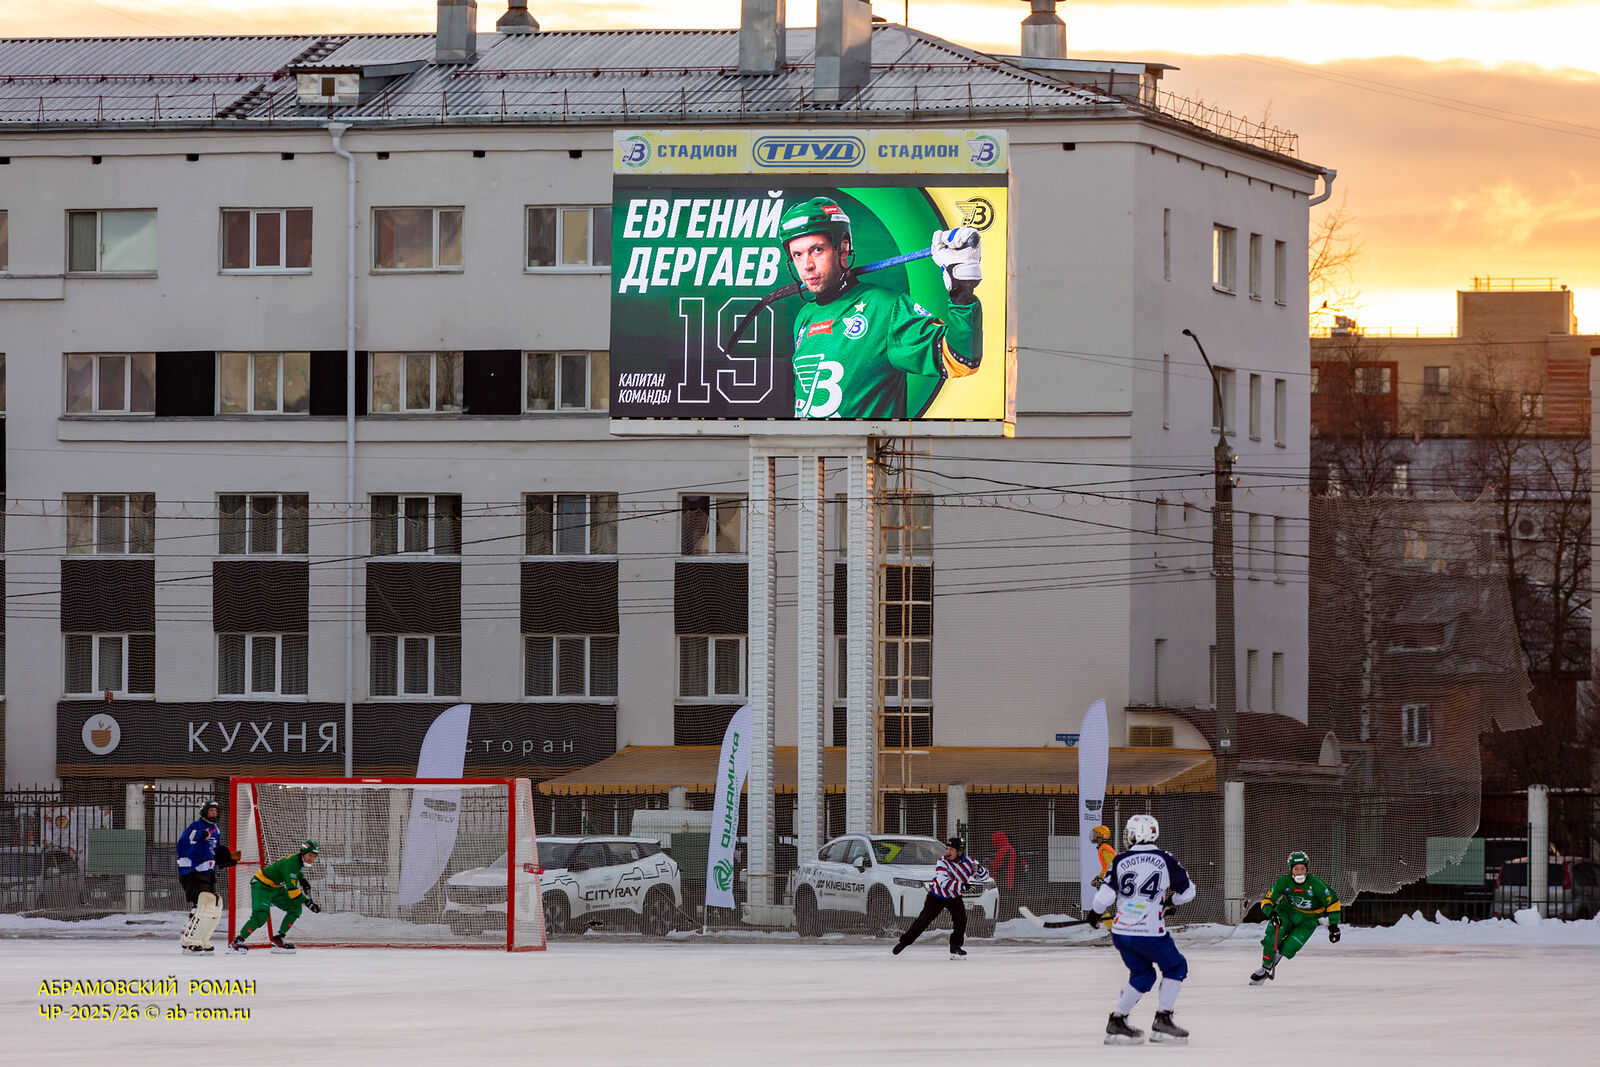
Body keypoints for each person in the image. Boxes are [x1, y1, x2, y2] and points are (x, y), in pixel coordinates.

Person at [781, 196, 983, 420]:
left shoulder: (886, 308)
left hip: (867, 443)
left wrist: (962, 294)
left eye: (817, 250)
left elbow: (961, 359)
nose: (807, 265)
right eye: (797, 255)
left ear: (843, 248)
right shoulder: (805, 316)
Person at [1090, 814, 1196, 1045]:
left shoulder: (1120, 859)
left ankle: (1117, 1020)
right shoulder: (1165, 859)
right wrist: (1171, 902)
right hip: (1149, 932)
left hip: (1121, 932)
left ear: (1135, 835)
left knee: (1143, 975)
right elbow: (1188, 892)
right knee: (1176, 967)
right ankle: (1163, 1020)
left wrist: (1094, 913)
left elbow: (1104, 897)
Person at [891, 836, 992, 960]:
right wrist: (963, 886)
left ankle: (955, 946)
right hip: (937, 896)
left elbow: (984, 877)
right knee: (923, 920)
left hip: (954, 897)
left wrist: (980, 870)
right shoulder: (942, 861)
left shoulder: (970, 862)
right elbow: (943, 882)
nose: (948, 852)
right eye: (947, 849)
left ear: (960, 851)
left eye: (951, 850)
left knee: (961, 919)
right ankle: (904, 942)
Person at [1251, 850, 1342, 984]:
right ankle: (1265, 968)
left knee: (1290, 946)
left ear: (1307, 869)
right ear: (1291, 869)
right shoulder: (1283, 881)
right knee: (1272, 939)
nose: (1299, 872)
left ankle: (1276, 958)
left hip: (1307, 920)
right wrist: (1271, 913)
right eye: (1296, 869)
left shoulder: (1316, 883)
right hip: (1286, 913)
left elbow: (1332, 902)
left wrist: (1333, 925)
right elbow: (1267, 900)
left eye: (1302, 868)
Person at [229, 840, 321, 954]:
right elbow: (292, 891)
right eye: (310, 855)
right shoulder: (292, 863)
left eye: (314, 856)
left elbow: (295, 872)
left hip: (275, 887)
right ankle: (236, 943)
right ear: (303, 853)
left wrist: (302, 879)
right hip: (261, 886)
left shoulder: (298, 861)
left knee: (295, 908)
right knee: (261, 915)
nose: (312, 859)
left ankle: (278, 939)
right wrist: (308, 902)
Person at [176, 799, 238, 954]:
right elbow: (185, 842)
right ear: (204, 812)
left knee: (209, 906)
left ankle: (199, 938)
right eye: (211, 811)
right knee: (202, 904)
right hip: (192, 872)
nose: (213, 813)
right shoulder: (195, 826)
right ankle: (189, 941)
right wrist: (199, 835)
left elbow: (213, 850)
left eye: (215, 811)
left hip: (207, 872)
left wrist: (224, 859)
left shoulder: (215, 830)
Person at [1089, 824, 1117, 889]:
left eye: (1095, 834)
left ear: (1101, 835)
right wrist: (1099, 877)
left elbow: (1111, 866)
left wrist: (1104, 880)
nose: (1093, 835)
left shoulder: (1104, 849)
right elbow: (1105, 868)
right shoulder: (1103, 847)